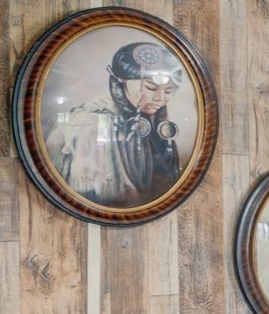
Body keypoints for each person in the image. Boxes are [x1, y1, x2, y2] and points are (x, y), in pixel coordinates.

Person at [47, 39, 188, 208]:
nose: (160, 98)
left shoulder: (155, 122)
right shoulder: (91, 124)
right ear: (120, 82)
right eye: (150, 88)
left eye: (168, 91)